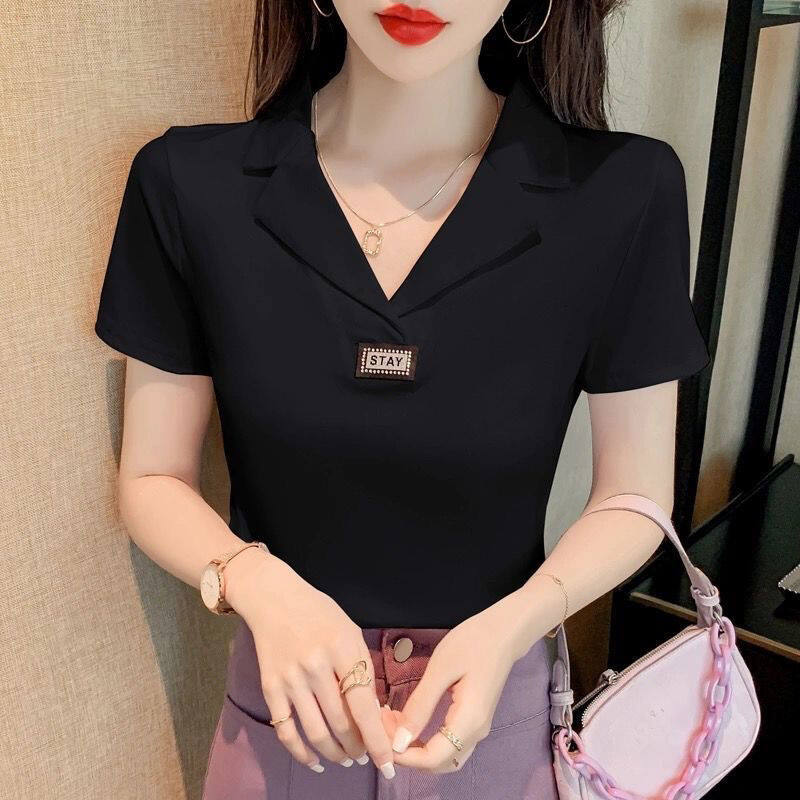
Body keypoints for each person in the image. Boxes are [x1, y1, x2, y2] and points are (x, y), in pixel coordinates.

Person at [93, 1, 712, 798]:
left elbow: (635, 494)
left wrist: (512, 627)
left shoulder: (623, 191)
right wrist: (258, 586)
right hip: (284, 730)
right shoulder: (188, 184)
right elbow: (151, 478)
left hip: (496, 724)